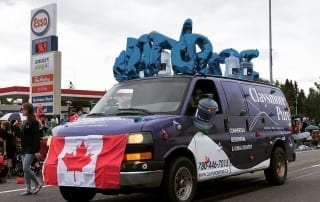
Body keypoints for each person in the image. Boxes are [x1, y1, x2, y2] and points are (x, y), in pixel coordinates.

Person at [19, 103, 42, 195]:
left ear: (28, 110)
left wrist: (36, 150)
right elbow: (23, 136)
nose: (22, 111)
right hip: (24, 148)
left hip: (31, 148)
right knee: (26, 169)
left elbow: (36, 137)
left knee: (25, 168)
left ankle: (37, 183)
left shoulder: (35, 122)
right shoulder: (25, 122)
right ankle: (28, 188)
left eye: (23, 109)